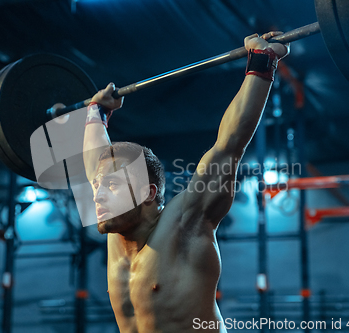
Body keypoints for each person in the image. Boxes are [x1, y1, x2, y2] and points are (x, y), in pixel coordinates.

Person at [82, 32, 289, 332]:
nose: (98, 195)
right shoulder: (117, 225)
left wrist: (261, 62)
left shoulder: (186, 222)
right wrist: (96, 113)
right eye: (99, 187)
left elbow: (229, 146)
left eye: (111, 186)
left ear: (148, 193)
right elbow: (95, 163)